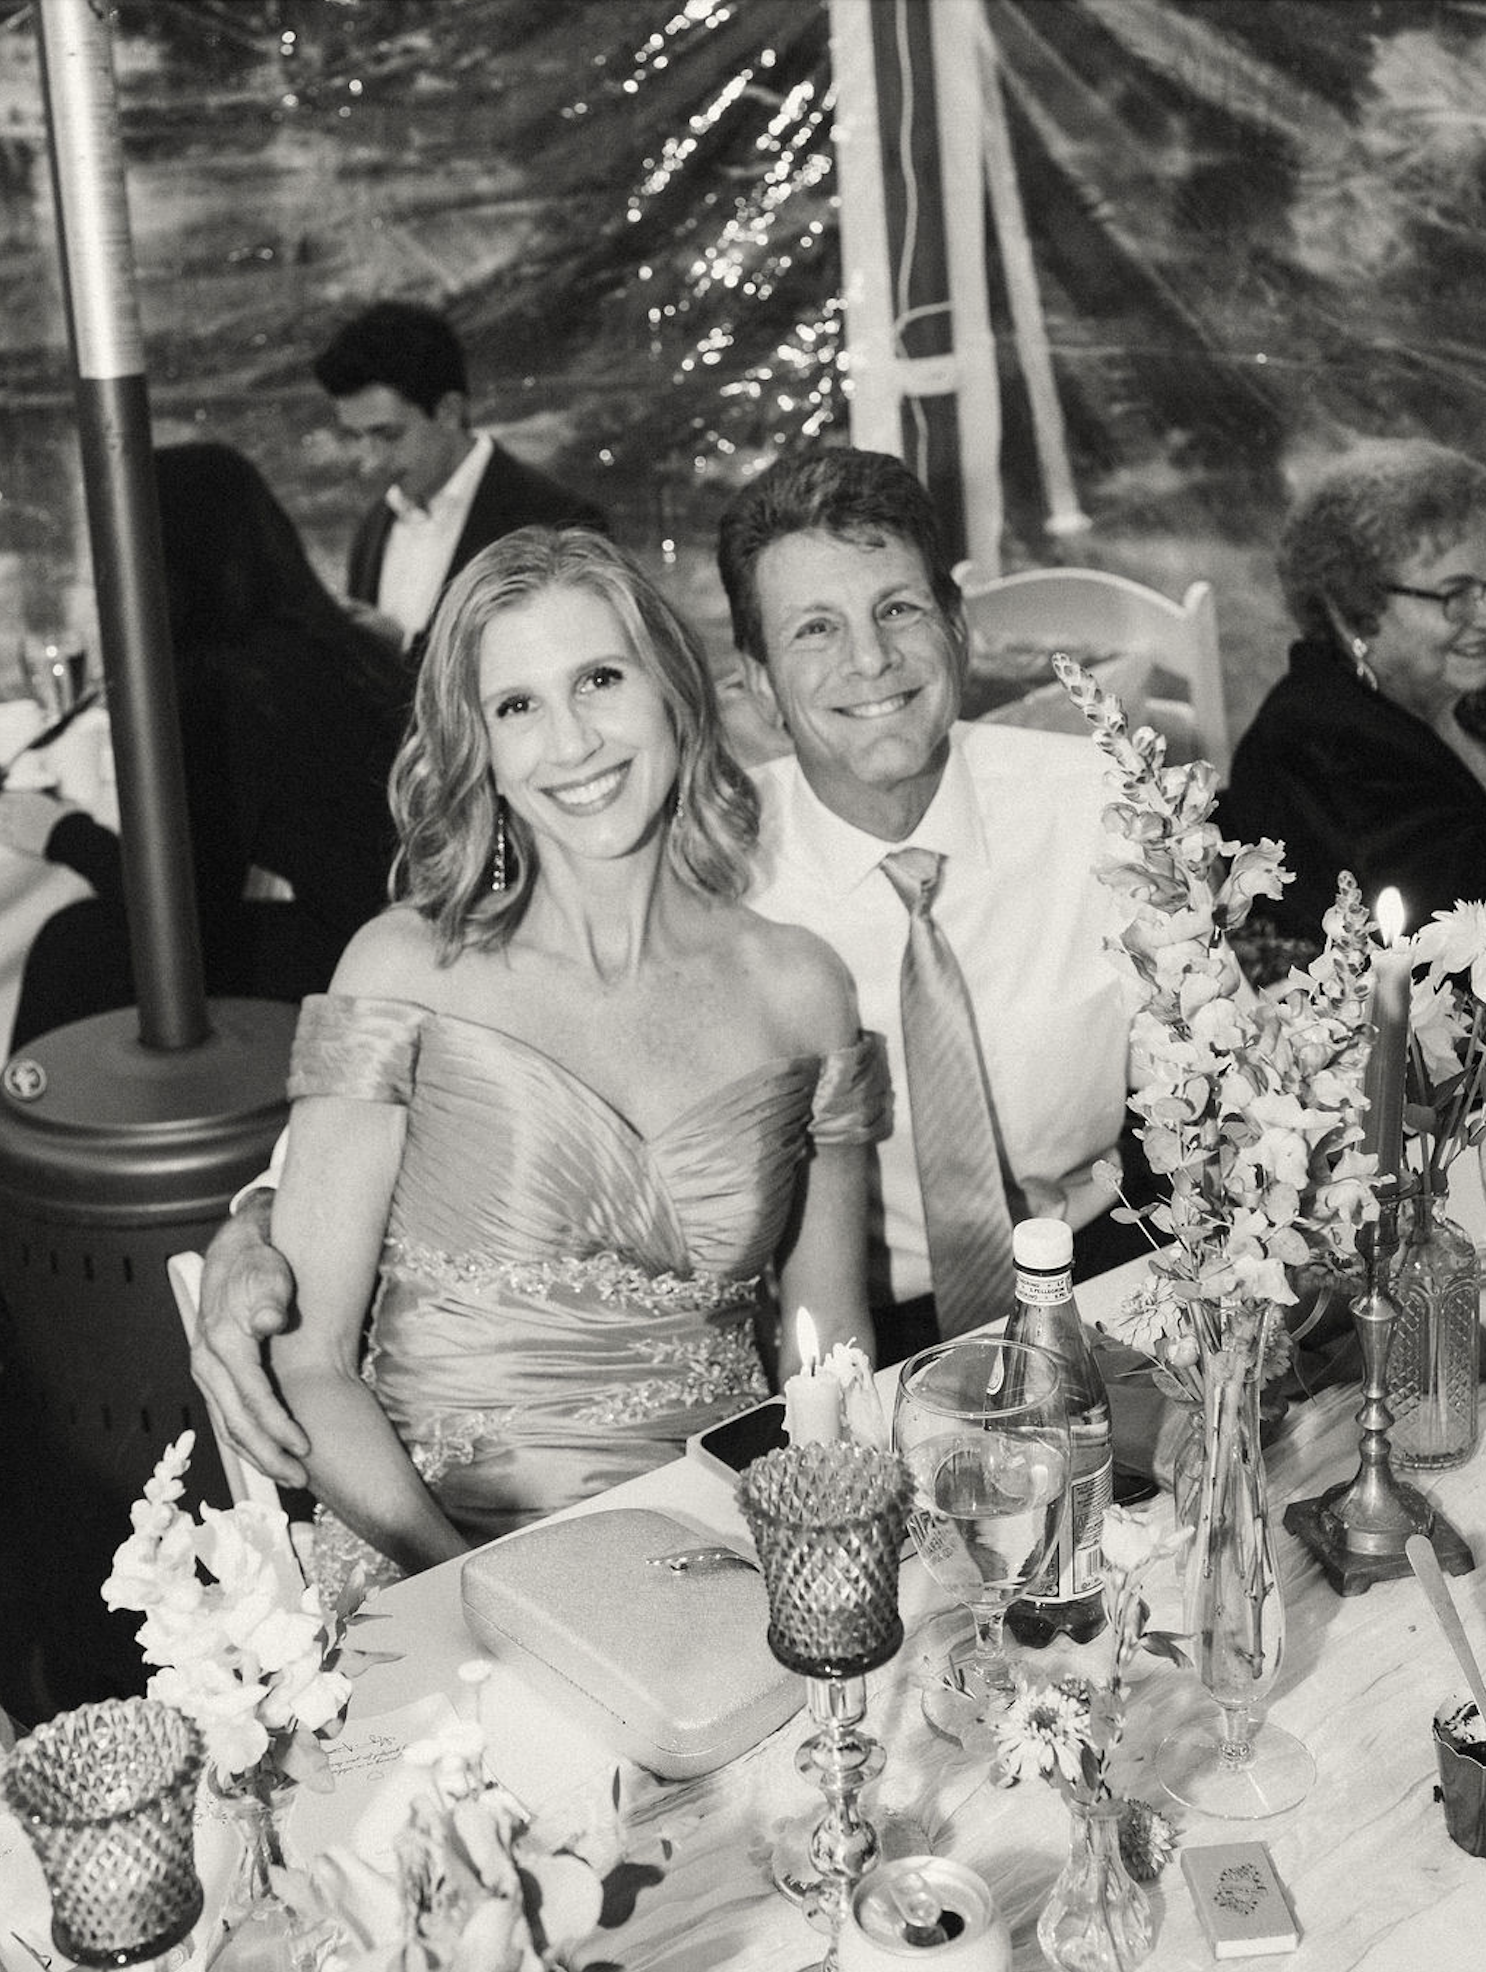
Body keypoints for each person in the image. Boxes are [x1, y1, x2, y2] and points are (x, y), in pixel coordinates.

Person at [193, 447, 1142, 1489]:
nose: (870, 663)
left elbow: (1233, 1097)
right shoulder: (726, 863)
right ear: (753, 686)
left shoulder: (1105, 808)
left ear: (956, 623)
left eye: (899, 610)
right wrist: (250, 1239)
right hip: (865, 1349)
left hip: (1088, 1296)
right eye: (812, 629)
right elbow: (360, 1145)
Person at [259, 526, 884, 1575]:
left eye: (598, 678)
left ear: (673, 694)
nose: (573, 741)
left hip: (725, 1551)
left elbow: (827, 1343)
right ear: (483, 754)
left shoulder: (798, 987)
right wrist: (464, 1581)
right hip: (437, 1554)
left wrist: (819, 1551)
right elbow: (309, 1359)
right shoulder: (405, 971)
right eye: (517, 707)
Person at [1, 442, 411, 1051]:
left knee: (74, 944)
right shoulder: (342, 647)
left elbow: (184, 905)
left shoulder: (226, 684)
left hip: (358, 962)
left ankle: (48, 1132)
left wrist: (61, 833)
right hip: (407, 930)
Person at [1220, 437, 1486, 973]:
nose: (1482, 616)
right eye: (1455, 595)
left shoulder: (1456, 694)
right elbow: (1447, 939)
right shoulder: (1320, 742)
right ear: (1351, 606)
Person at [314, 300, 607, 650]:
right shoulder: (375, 527)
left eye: (388, 435)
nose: (371, 461)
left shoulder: (557, 521)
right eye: (355, 437)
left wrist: (404, 647)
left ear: (449, 411)